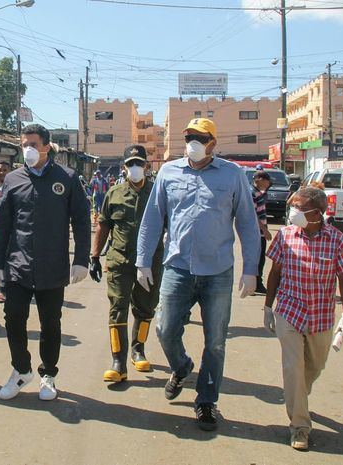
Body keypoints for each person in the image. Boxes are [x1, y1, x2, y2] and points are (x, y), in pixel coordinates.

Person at [136, 118, 260, 431]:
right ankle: (181, 367)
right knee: (164, 329)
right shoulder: (168, 172)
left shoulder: (232, 175)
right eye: (189, 136)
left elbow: (247, 222)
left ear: (212, 143)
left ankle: (206, 401)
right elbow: (153, 220)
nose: (192, 141)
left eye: (200, 137)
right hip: (177, 267)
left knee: (215, 341)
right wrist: (142, 261)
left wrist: (250, 269)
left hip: (217, 270)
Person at [0, 124, 90, 402]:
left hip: (52, 266)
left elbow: (81, 219)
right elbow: (2, 222)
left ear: (46, 146)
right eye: (24, 144)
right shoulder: (13, 179)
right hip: (18, 265)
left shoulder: (66, 178)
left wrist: (81, 260)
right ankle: (21, 370)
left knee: (50, 324)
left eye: (32, 144)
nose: (27, 149)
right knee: (14, 318)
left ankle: (48, 374)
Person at [264, 187, 343, 450]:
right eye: (292, 206)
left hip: (320, 316)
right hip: (289, 312)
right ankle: (300, 427)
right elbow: (275, 273)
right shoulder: (284, 236)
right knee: (293, 369)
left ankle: (298, 399)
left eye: (299, 207)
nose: (293, 212)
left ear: (317, 213)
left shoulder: (337, 240)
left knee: (314, 367)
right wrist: (267, 306)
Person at [89, 145, 164, 383]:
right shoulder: (114, 193)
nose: (135, 168)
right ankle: (118, 362)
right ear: (124, 167)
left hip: (151, 262)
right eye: (131, 163)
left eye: (139, 163)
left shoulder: (158, 193)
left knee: (146, 307)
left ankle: (138, 349)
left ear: (147, 166)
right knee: (117, 307)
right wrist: (94, 256)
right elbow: (103, 225)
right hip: (119, 261)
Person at [252, 171, 273, 294]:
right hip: (256, 232)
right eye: (267, 181)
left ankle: (257, 283)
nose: (268, 184)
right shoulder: (253, 193)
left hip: (260, 232)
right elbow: (253, 215)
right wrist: (264, 230)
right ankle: (256, 283)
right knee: (257, 259)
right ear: (259, 179)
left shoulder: (259, 193)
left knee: (260, 259)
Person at [0, 160, 11, 304]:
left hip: (8, 229)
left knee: (5, 259)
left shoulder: (12, 187)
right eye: (0, 170)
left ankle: (2, 290)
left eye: (5, 170)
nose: (2, 173)